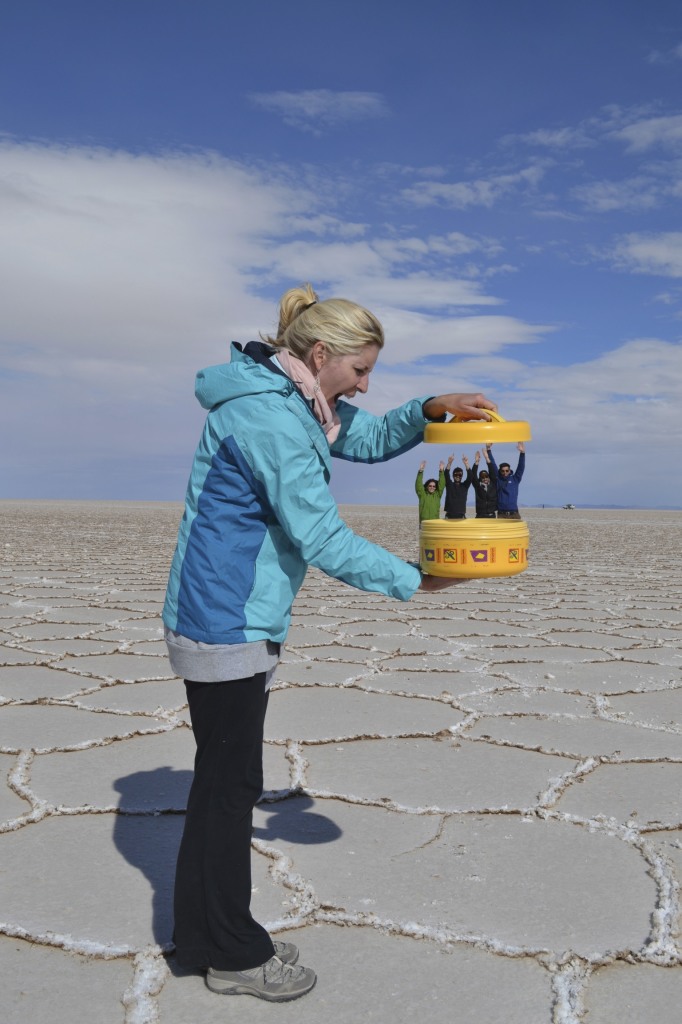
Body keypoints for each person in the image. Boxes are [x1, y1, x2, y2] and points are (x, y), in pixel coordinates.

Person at [162, 283, 496, 1002]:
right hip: (226, 622)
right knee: (228, 793)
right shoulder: (270, 420)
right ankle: (233, 955)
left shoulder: (296, 403)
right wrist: (415, 579)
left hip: (232, 617)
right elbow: (319, 537)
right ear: (320, 355)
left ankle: (206, 938)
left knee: (221, 787)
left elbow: (365, 437)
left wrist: (427, 410)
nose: (366, 386)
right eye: (361, 371)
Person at [488, 441, 525, 519]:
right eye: (503, 471)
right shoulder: (498, 479)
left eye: (507, 470)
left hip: (514, 514)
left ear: (509, 470)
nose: (505, 472)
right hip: (502, 514)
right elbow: (493, 464)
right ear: (500, 471)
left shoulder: (515, 479)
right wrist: (488, 450)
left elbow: (520, 467)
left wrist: (522, 453)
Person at [443, 454, 473, 519]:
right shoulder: (449, 485)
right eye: (456, 474)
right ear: (453, 475)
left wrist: (466, 464)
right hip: (449, 515)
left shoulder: (464, 486)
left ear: (462, 476)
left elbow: (470, 476)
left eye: (460, 474)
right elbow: (446, 474)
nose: (458, 476)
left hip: (461, 515)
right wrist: (449, 463)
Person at [471, 448, 498, 517]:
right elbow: (473, 476)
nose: (485, 478)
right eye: (482, 477)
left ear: (489, 477)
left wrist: (487, 459)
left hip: (491, 515)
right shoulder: (478, 486)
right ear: (480, 478)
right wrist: (476, 462)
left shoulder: (493, 485)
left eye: (486, 476)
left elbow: (492, 472)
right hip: (480, 515)